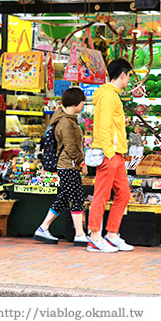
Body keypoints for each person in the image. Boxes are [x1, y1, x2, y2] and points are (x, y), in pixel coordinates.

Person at [86, 58, 135, 253]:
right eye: (129, 76)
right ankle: (94, 237)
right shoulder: (108, 96)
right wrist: (108, 152)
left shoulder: (111, 94)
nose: (129, 80)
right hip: (110, 152)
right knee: (101, 195)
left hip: (116, 153)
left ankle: (112, 235)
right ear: (122, 74)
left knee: (124, 194)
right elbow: (104, 127)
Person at [33, 87, 88, 247]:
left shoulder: (68, 120)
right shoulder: (65, 122)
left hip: (67, 165)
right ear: (77, 103)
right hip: (68, 165)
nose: (83, 104)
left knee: (64, 198)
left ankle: (43, 229)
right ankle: (79, 234)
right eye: (82, 101)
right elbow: (71, 147)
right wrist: (81, 162)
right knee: (76, 197)